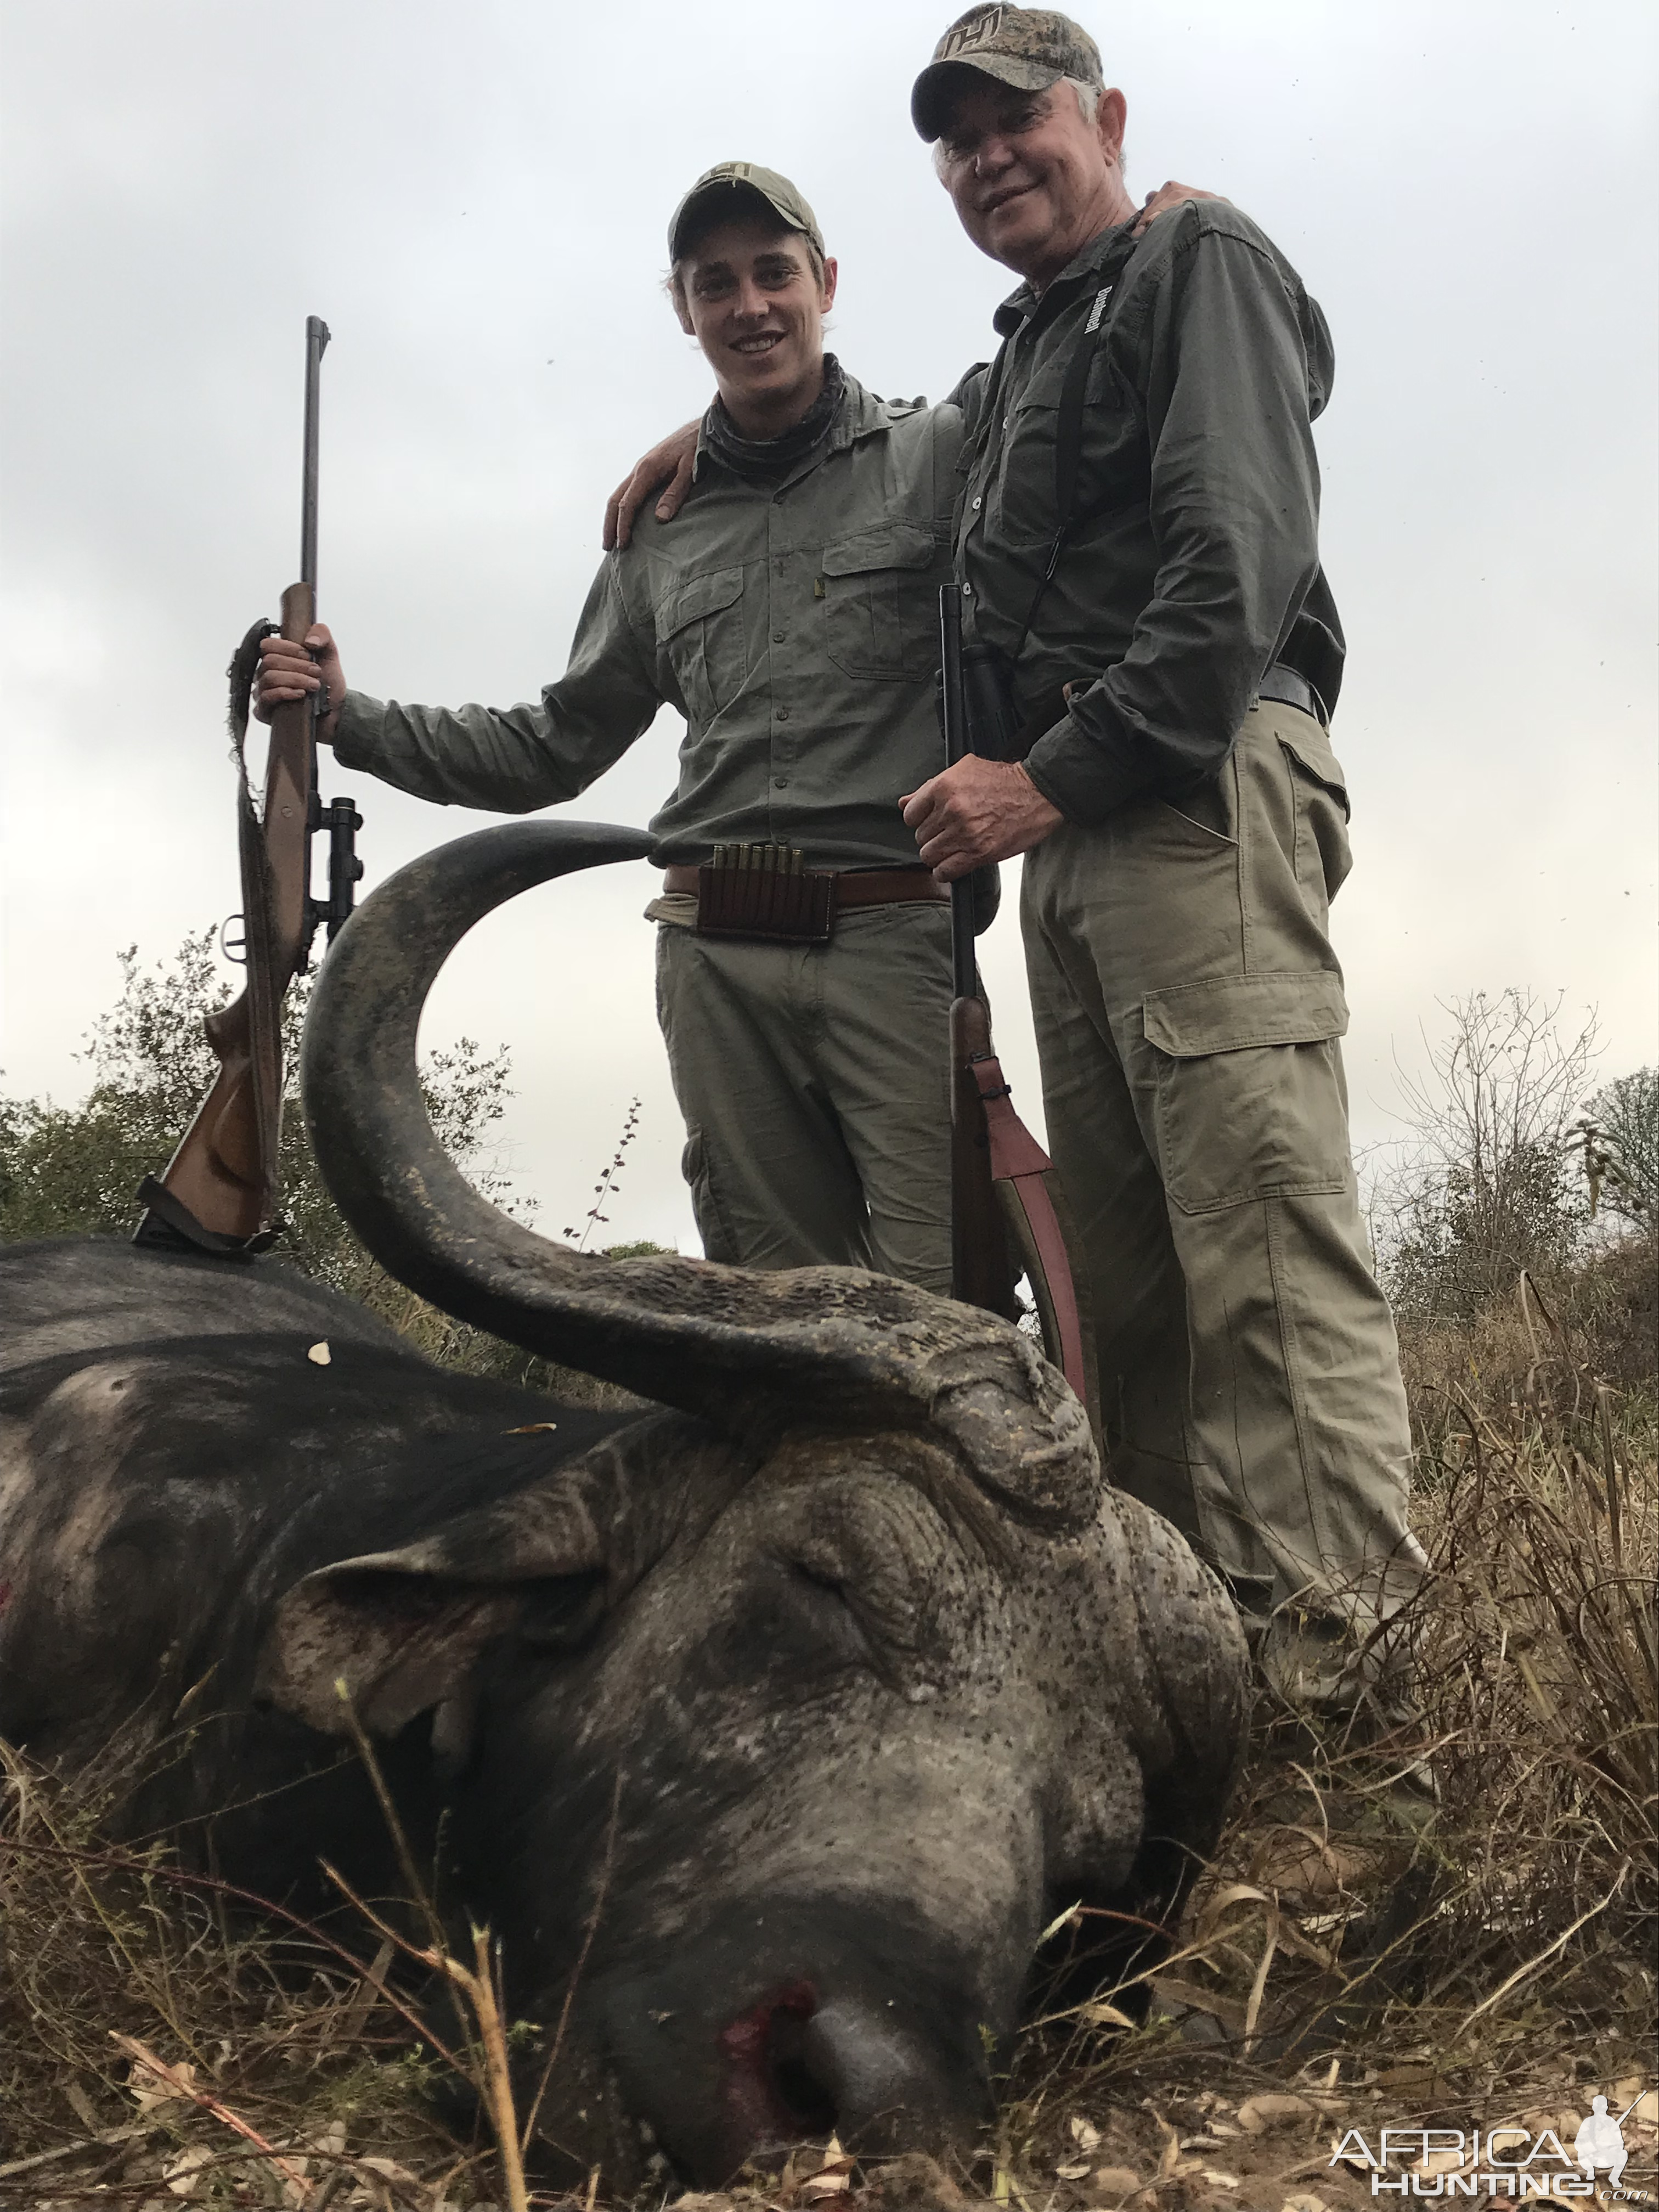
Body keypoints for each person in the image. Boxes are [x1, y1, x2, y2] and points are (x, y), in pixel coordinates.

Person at [897, 3, 1428, 1702]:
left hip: (1182, 789)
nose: (989, 157)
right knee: (1129, 1308)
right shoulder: (1026, 355)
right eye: (957, 139)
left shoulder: (1197, 256)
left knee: (1262, 1260)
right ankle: (1200, 1697)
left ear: (1103, 118)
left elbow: (1237, 564)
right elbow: (890, 449)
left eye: (1016, 120)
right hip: (1073, 840)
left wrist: (1051, 779)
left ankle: (1348, 1712)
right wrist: (716, 429)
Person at [257, 165, 969, 1290]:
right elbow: (555, 743)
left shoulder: (942, 454)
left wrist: (1159, 220)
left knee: (938, 1312)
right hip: (715, 957)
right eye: (714, 284)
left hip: (895, 944)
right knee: (771, 1317)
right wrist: (351, 718)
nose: (750, 307)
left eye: (774, 274)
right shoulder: (657, 535)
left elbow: (1059, 380)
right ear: (685, 312)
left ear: (827, 283)